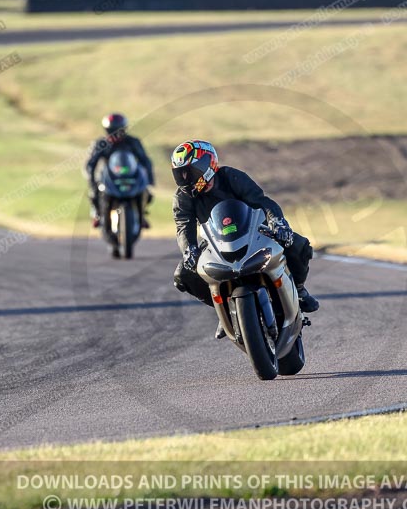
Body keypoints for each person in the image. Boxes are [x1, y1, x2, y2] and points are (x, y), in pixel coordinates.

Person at [170, 139, 319, 339]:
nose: (185, 178)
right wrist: (189, 250)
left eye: (189, 172)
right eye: (180, 174)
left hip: (252, 230)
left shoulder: (231, 176)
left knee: (299, 244)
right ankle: (223, 312)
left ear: (206, 165)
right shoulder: (182, 197)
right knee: (183, 275)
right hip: (214, 242)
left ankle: (299, 290)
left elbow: (261, 200)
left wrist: (278, 222)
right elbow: (183, 227)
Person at [85, 113, 154, 254]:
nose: (116, 133)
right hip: (108, 178)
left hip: (130, 177)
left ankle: (142, 215)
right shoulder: (101, 144)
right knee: (95, 193)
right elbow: (91, 164)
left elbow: (145, 160)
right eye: (112, 130)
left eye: (119, 130)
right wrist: (92, 180)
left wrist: (149, 180)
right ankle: (99, 214)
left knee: (147, 193)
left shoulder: (133, 142)